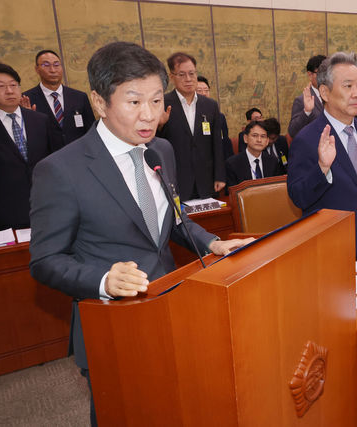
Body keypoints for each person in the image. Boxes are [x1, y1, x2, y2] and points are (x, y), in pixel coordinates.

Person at [28, 42, 252, 426]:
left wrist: (213, 243)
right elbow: (46, 261)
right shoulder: (61, 170)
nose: (148, 115)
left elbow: (173, 220)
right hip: (113, 327)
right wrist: (103, 279)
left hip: (170, 308)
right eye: (134, 102)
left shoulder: (160, 150)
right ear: (99, 103)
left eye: (154, 101)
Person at [287, 52, 357, 260]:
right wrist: (322, 169)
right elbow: (298, 197)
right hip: (331, 249)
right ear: (324, 92)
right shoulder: (307, 138)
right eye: (348, 86)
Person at [0, 62, 64, 230]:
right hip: (11, 211)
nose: (9, 91)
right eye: (1, 86)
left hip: (49, 207)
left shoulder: (40, 120)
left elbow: (58, 159)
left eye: (13, 85)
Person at [157, 52, 226, 200]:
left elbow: (217, 143)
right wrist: (159, 126)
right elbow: (154, 145)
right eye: (181, 74)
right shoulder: (161, 103)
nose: (188, 79)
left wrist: (220, 175)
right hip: (176, 180)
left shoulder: (210, 105)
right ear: (171, 76)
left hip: (207, 180)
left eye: (191, 73)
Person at [22, 50, 95, 145]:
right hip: (47, 157)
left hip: (79, 153)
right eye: (46, 65)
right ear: (37, 69)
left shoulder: (79, 97)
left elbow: (91, 130)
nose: (52, 70)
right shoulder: (26, 99)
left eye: (56, 65)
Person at [226, 120, 282, 188]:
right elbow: (232, 193)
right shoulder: (232, 164)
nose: (259, 140)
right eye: (255, 135)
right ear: (245, 138)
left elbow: (276, 188)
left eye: (263, 136)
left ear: (267, 141)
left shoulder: (273, 161)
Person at [288, 55, 326, 138]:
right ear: (310, 75)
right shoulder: (301, 100)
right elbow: (292, 131)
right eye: (321, 73)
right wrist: (307, 111)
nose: (325, 77)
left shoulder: (336, 96)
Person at [196, 75, 234, 160]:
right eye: (199, 91)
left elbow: (225, 141)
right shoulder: (190, 118)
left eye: (206, 90)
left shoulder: (220, 117)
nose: (204, 93)